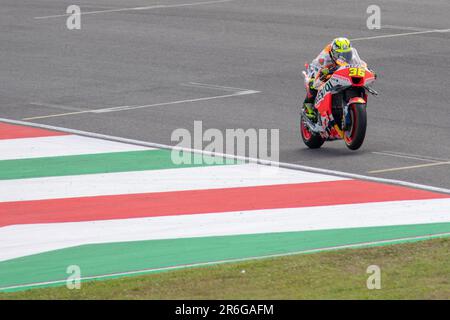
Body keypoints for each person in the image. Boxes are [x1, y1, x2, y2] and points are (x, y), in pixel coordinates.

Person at [303, 37, 357, 119]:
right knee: (313, 81)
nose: (345, 57)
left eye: (347, 54)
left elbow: (358, 64)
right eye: (341, 55)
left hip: (338, 69)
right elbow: (316, 69)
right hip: (318, 68)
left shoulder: (351, 56)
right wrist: (323, 72)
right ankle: (308, 105)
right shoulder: (323, 58)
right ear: (333, 53)